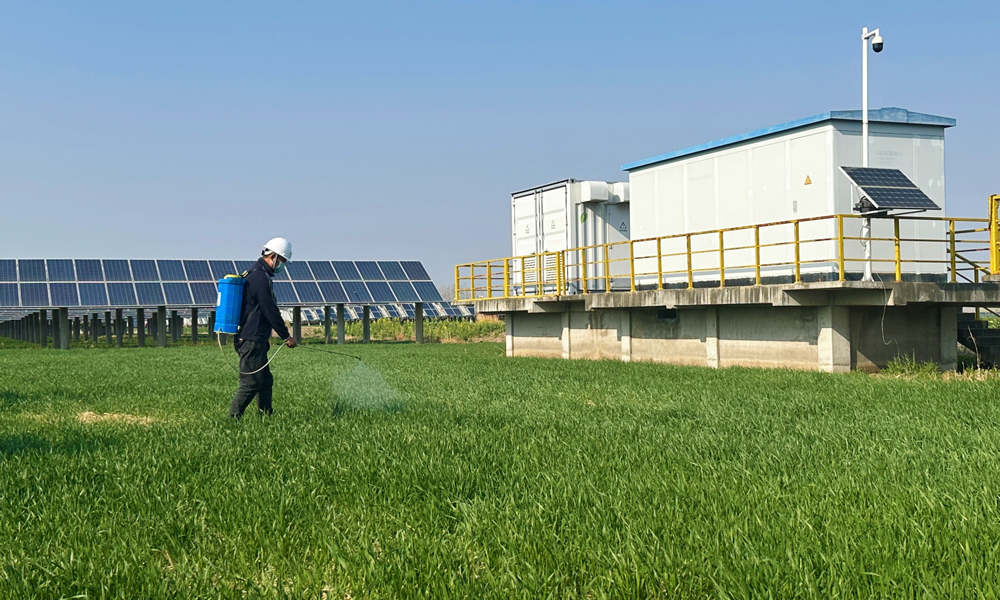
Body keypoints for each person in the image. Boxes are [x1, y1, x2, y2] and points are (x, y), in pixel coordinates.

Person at [228, 237, 298, 418]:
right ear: (273, 256)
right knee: (251, 382)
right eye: (282, 261)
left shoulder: (256, 273)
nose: (283, 265)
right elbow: (270, 310)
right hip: (251, 339)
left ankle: (266, 417)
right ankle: (231, 419)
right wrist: (286, 336)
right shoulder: (259, 276)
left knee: (265, 381)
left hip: (255, 338)